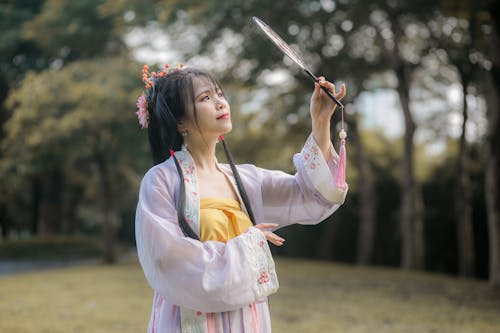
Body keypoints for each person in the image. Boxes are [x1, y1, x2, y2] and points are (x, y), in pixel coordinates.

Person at [134, 63, 348, 333]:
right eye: (205, 98)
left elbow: (312, 194)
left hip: (248, 320)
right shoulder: (162, 180)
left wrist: (320, 120)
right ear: (180, 121)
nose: (221, 103)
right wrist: (250, 244)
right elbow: (167, 259)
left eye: (220, 94)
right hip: (190, 321)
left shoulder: (245, 179)